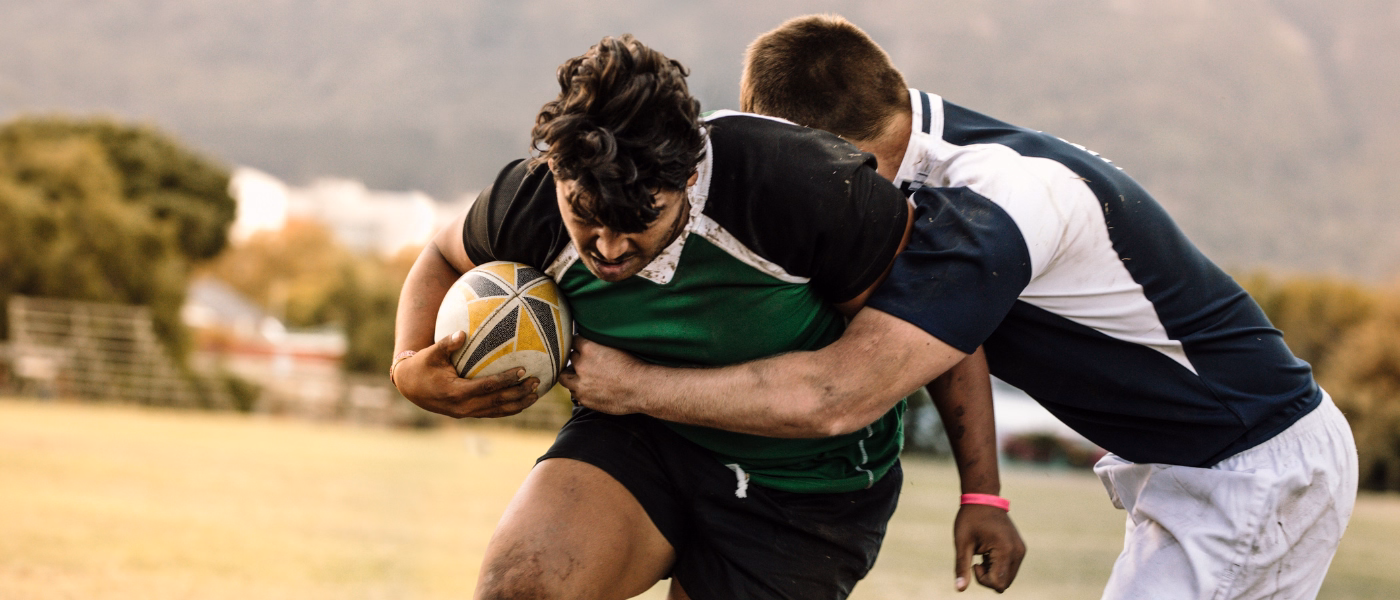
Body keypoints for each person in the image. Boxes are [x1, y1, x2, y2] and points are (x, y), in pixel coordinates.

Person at [561, 15, 1359, 600]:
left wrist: (632, 385)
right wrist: (983, 493)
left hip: (1253, 464)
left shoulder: (996, 201)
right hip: (1200, 460)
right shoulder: (923, 166)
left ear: (826, 151)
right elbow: (949, 330)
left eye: (786, 163)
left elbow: (840, 393)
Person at [390, 34, 1023, 599]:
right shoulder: (529, 200)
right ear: (556, 170)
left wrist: (983, 493)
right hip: (640, 439)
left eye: (639, 220)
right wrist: (409, 367)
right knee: (519, 592)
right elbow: (442, 254)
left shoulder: (803, 187)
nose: (607, 247)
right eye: (585, 216)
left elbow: (942, 324)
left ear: (689, 176)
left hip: (810, 487)